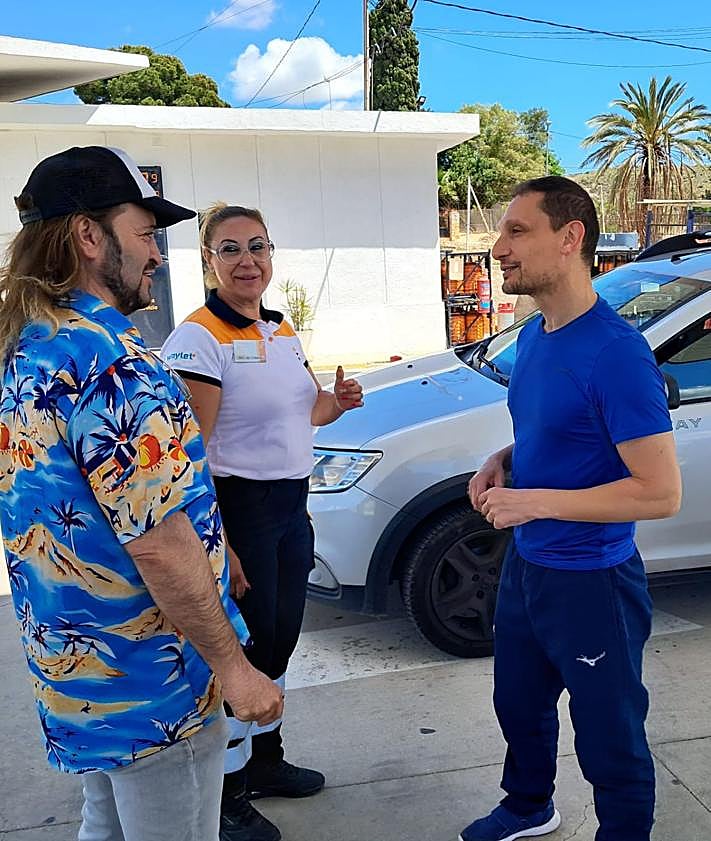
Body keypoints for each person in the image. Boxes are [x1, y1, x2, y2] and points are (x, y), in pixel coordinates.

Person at [0, 147, 283, 841]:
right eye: (143, 232)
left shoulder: (27, 349)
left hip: (78, 672)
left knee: (105, 824)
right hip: (155, 680)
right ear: (88, 238)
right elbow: (159, 545)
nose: (156, 253)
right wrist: (234, 667)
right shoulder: (116, 368)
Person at [462, 177, 681, 841]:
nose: (497, 247)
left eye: (516, 231)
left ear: (570, 237)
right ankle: (529, 803)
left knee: (608, 732)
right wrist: (504, 458)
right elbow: (556, 427)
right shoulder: (534, 337)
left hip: (593, 580)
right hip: (529, 569)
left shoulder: (617, 354)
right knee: (517, 704)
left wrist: (532, 500)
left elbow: (658, 490)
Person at [161, 202, 364, 841]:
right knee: (243, 650)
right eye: (230, 249)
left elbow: (308, 414)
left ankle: (265, 761)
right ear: (208, 260)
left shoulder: (280, 331)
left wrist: (338, 401)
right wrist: (222, 546)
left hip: (288, 508)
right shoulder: (198, 338)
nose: (247, 261)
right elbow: (190, 456)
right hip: (238, 512)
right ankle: (225, 795)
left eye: (258, 247)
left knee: (278, 643)